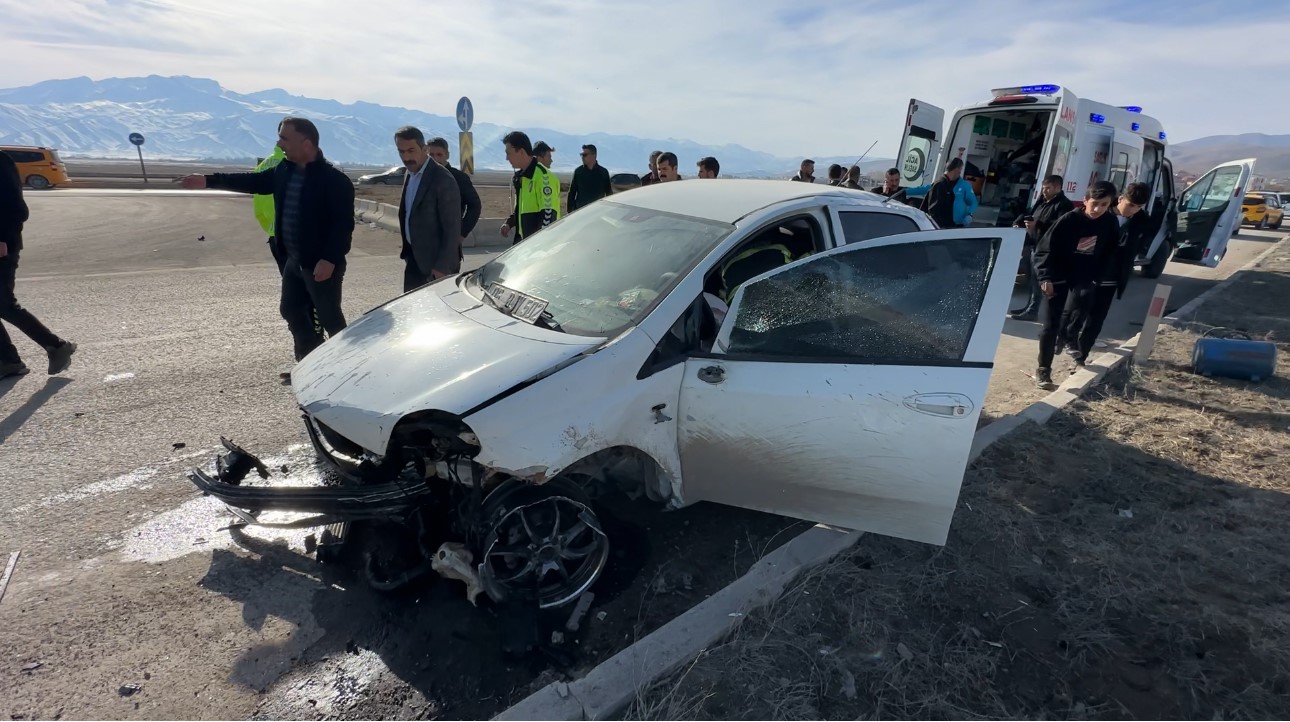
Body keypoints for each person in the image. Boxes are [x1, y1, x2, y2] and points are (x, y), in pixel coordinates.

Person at [179, 117, 354, 366]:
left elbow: (342, 226)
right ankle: (310, 364)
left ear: (306, 143)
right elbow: (253, 182)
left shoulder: (335, 181)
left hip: (320, 264)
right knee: (292, 310)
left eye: (284, 138)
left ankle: (349, 367)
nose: (279, 143)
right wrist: (209, 180)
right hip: (293, 259)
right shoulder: (284, 170)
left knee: (330, 318)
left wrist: (329, 259)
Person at [1031, 180, 1121, 387]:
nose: (1098, 209)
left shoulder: (1109, 223)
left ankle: (1069, 336)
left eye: (1104, 205)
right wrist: (1045, 278)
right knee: (1049, 324)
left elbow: (1109, 252)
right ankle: (1043, 369)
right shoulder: (1068, 220)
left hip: (1084, 275)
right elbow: (1043, 250)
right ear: (1086, 201)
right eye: (1094, 203)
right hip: (1057, 274)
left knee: (1082, 300)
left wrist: (1097, 277)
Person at [0, 149, 76, 379]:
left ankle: (56, 346)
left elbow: (15, 207)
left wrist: (2, 236)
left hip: (3, 246)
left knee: (3, 304)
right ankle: (8, 361)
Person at [1062, 181, 1152, 364]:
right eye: (1130, 205)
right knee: (1076, 311)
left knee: (1096, 320)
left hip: (1112, 278)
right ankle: (1064, 340)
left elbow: (1139, 245)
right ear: (1120, 199)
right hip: (1089, 274)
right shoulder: (1102, 214)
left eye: (1138, 207)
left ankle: (1082, 355)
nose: (1133, 210)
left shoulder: (1141, 221)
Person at [255, 146, 324, 363]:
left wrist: (272, 230)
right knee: (306, 302)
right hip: (296, 240)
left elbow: (258, 208)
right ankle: (313, 355)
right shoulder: (293, 166)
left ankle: (308, 356)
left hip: (279, 239)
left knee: (300, 304)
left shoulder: (266, 165)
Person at [394, 126, 462, 292]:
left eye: (411, 150)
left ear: (424, 149)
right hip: (414, 261)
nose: (406, 157)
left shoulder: (442, 179)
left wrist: (442, 267)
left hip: (437, 268)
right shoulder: (409, 174)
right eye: (401, 152)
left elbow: (452, 228)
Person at [1009, 174, 1070, 321]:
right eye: (1043, 188)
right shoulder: (1042, 201)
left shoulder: (1063, 205)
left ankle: (1033, 311)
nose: (1044, 191)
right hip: (1034, 243)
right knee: (1030, 278)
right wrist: (1020, 222)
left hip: (1048, 248)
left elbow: (1061, 228)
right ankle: (1030, 306)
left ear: (1057, 187)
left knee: (1038, 280)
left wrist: (1039, 225)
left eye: (1048, 188)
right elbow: (1030, 213)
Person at [426, 136, 483, 262]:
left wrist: (461, 233)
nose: (435, 159)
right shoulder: (422, 178)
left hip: (448, 246)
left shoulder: (458, 178)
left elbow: (475, 205)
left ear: (447, 155)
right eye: (431, 155)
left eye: (439, 154)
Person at [500, 131, 560, 244]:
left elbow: (549, 215)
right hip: (523, 245)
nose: (506, 158)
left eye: (508, 153)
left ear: (521, 152)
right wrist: (509, 223)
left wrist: (536, 246)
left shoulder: (544, 177)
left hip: (538, 248)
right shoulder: (521, 177)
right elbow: (522, 209)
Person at [907, 157, 978, 228]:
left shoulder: (964, 185)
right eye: (960, 169)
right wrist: (905, 191)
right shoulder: (940, 183)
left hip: (958, 224)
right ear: (957, 170)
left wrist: (969, 215)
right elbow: (925, 189)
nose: (960, 172)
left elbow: (973, 202)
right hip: (942, 224)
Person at [567, 143, 612, 212]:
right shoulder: (578, 172)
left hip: (597, 212)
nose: (582, 157)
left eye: (585, 155)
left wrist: (609, 210)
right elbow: (572, 193)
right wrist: (569, 211)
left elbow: (609, 193)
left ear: (594, 155)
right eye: (581, 155)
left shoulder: (603, 172)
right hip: (580, 212)